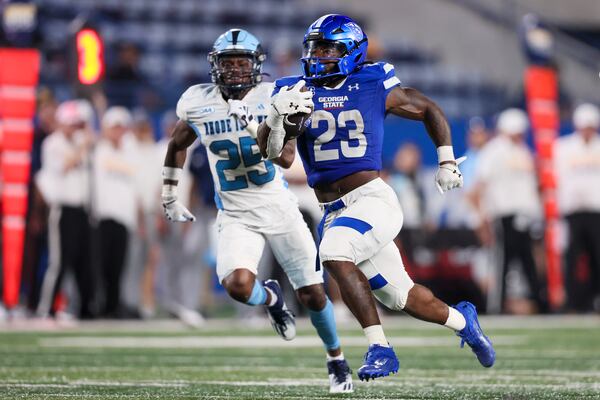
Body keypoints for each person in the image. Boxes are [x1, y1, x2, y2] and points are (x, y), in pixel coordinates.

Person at [257, 14, 495, 381]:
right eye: (314, 48)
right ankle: (464, 320)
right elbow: (281, 157)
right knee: (402, 297)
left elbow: (428, 107)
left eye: (327, 48)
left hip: (371, 199)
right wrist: (274, 121)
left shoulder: (372, 80)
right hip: (334, 209)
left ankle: (380, 348)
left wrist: (447, 160)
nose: (317, 56)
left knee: (333, 251)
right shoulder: (295, 90)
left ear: (351, 51)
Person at [160, 29, 352, 393]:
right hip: (235, 214)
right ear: (214, 66)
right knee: (237, 285)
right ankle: (272, 300)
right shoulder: (199, 102)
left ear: (255, 65)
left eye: (241, 62)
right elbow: (177, 143)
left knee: (313, 294)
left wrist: (251, 123)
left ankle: (336, 359)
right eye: (227, 63)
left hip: (278, 208)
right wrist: (169, 193)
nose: (234, 70)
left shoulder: (275, 97)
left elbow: (285, 157)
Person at [471, 109, 546, 313]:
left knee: (528, 261)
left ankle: (540, 303)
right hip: (503, 215)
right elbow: (481, 186)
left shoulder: (524, 151)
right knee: (502, 261)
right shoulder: (493, 151)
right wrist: (482, 218)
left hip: (525, 216)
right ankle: (497, 306)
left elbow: (531, 187)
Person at [555, 103, 600, 311]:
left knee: (596, 255)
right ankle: (573, 301)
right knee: (572, 257)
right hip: (572, 210)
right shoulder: (563, 147)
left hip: (596, 209)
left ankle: (595, 298)